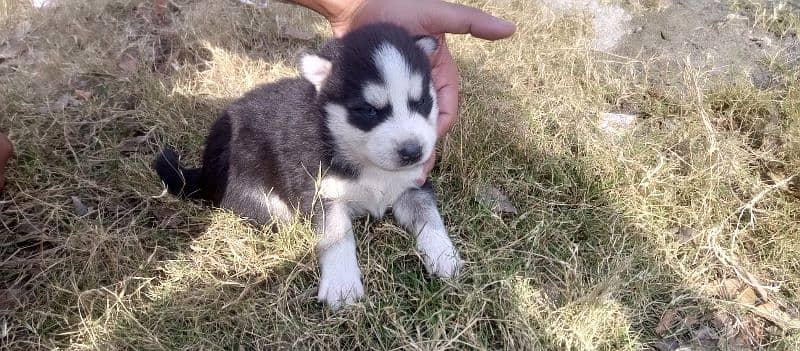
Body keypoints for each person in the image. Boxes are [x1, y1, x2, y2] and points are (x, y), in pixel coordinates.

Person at [0, 0, 515, 193]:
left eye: (419, 104)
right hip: (246, 173)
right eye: (369, 109)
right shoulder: (312, 117)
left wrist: (356, 5)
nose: (413, 137)